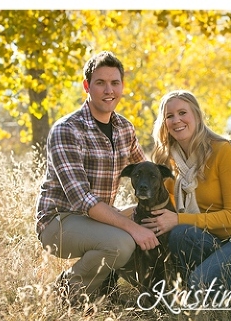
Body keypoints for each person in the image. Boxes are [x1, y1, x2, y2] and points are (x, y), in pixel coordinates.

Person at [35, 51, 158, 305]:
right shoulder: (67, 129)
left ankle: (149, 292)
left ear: (122, 86)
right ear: (87, 86)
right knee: (122, 243)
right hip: (60, 221)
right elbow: (82, 199)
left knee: (153, 218)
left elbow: (146, 170)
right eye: (100, 83)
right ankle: (66, 292)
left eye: (115, 83)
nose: (108, 90)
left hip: (100, 219)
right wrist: (132, 227)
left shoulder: (125, 128)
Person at [143, 89, 231, 294]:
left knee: (200, 283)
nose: (176, 120)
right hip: (208, 239)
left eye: (182, 113)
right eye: (169, 116)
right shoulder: (166, 160)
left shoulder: (223, 150)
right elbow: (160, 208)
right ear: (164, 123)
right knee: (179, 234)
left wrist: (179, 219)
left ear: (196, 115)